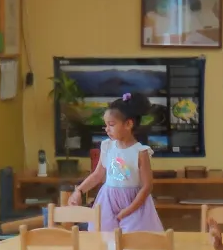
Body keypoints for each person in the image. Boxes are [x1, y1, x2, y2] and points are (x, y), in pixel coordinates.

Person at [66, 93, 163, 232]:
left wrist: (129, 210)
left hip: (134, 204)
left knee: (133, 244)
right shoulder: (107, 146)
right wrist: (78, 191)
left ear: (128, 124)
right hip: (107, 203)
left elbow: (147, 187)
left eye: (111, 124)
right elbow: (97, 175)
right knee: (104, 241)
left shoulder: (141, 152)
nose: (107, 129)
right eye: (105, 125)